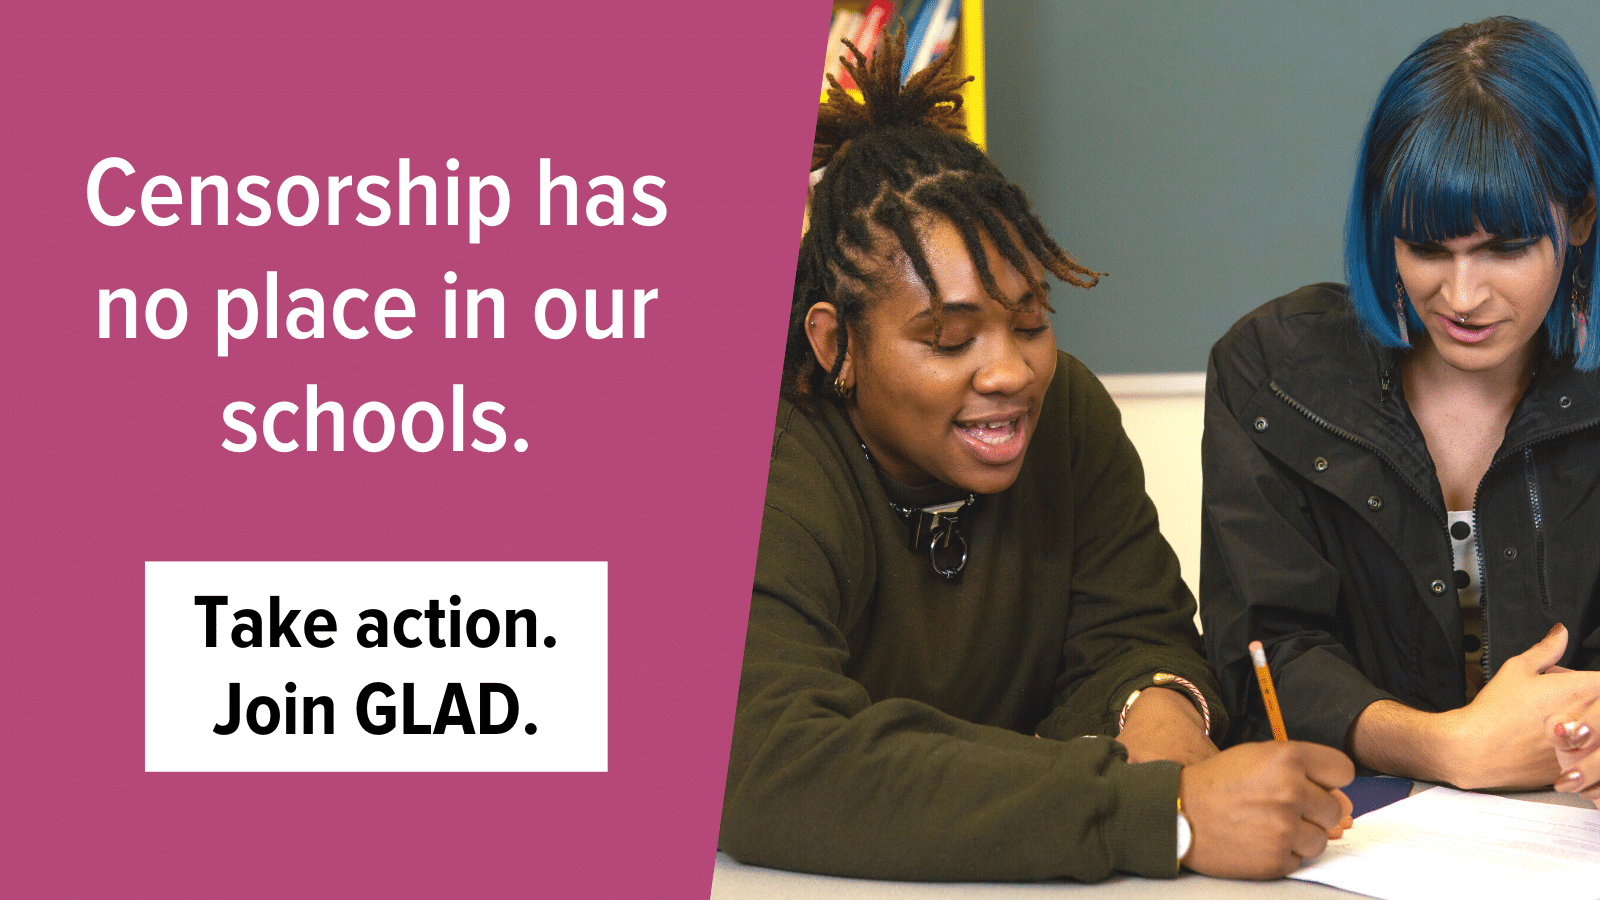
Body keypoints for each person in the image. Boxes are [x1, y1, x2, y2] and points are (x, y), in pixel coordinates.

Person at [719, 31, 1352, 883]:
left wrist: (1162, 714)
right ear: (836, 345)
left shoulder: (1067, 413)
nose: (1011, 373)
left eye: (1029, 323)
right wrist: (1157, 814)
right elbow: (775, 763)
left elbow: (1137, 635)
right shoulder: (767, 457)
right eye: (949, 339)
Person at [1201, 16, 1600, 793]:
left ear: (1581, 215)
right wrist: (1443, 747)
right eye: (1426, 247)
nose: (1462, 296)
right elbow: (1266, 654)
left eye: (1505, 248)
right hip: (1355, 825)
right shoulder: (1272, 370)